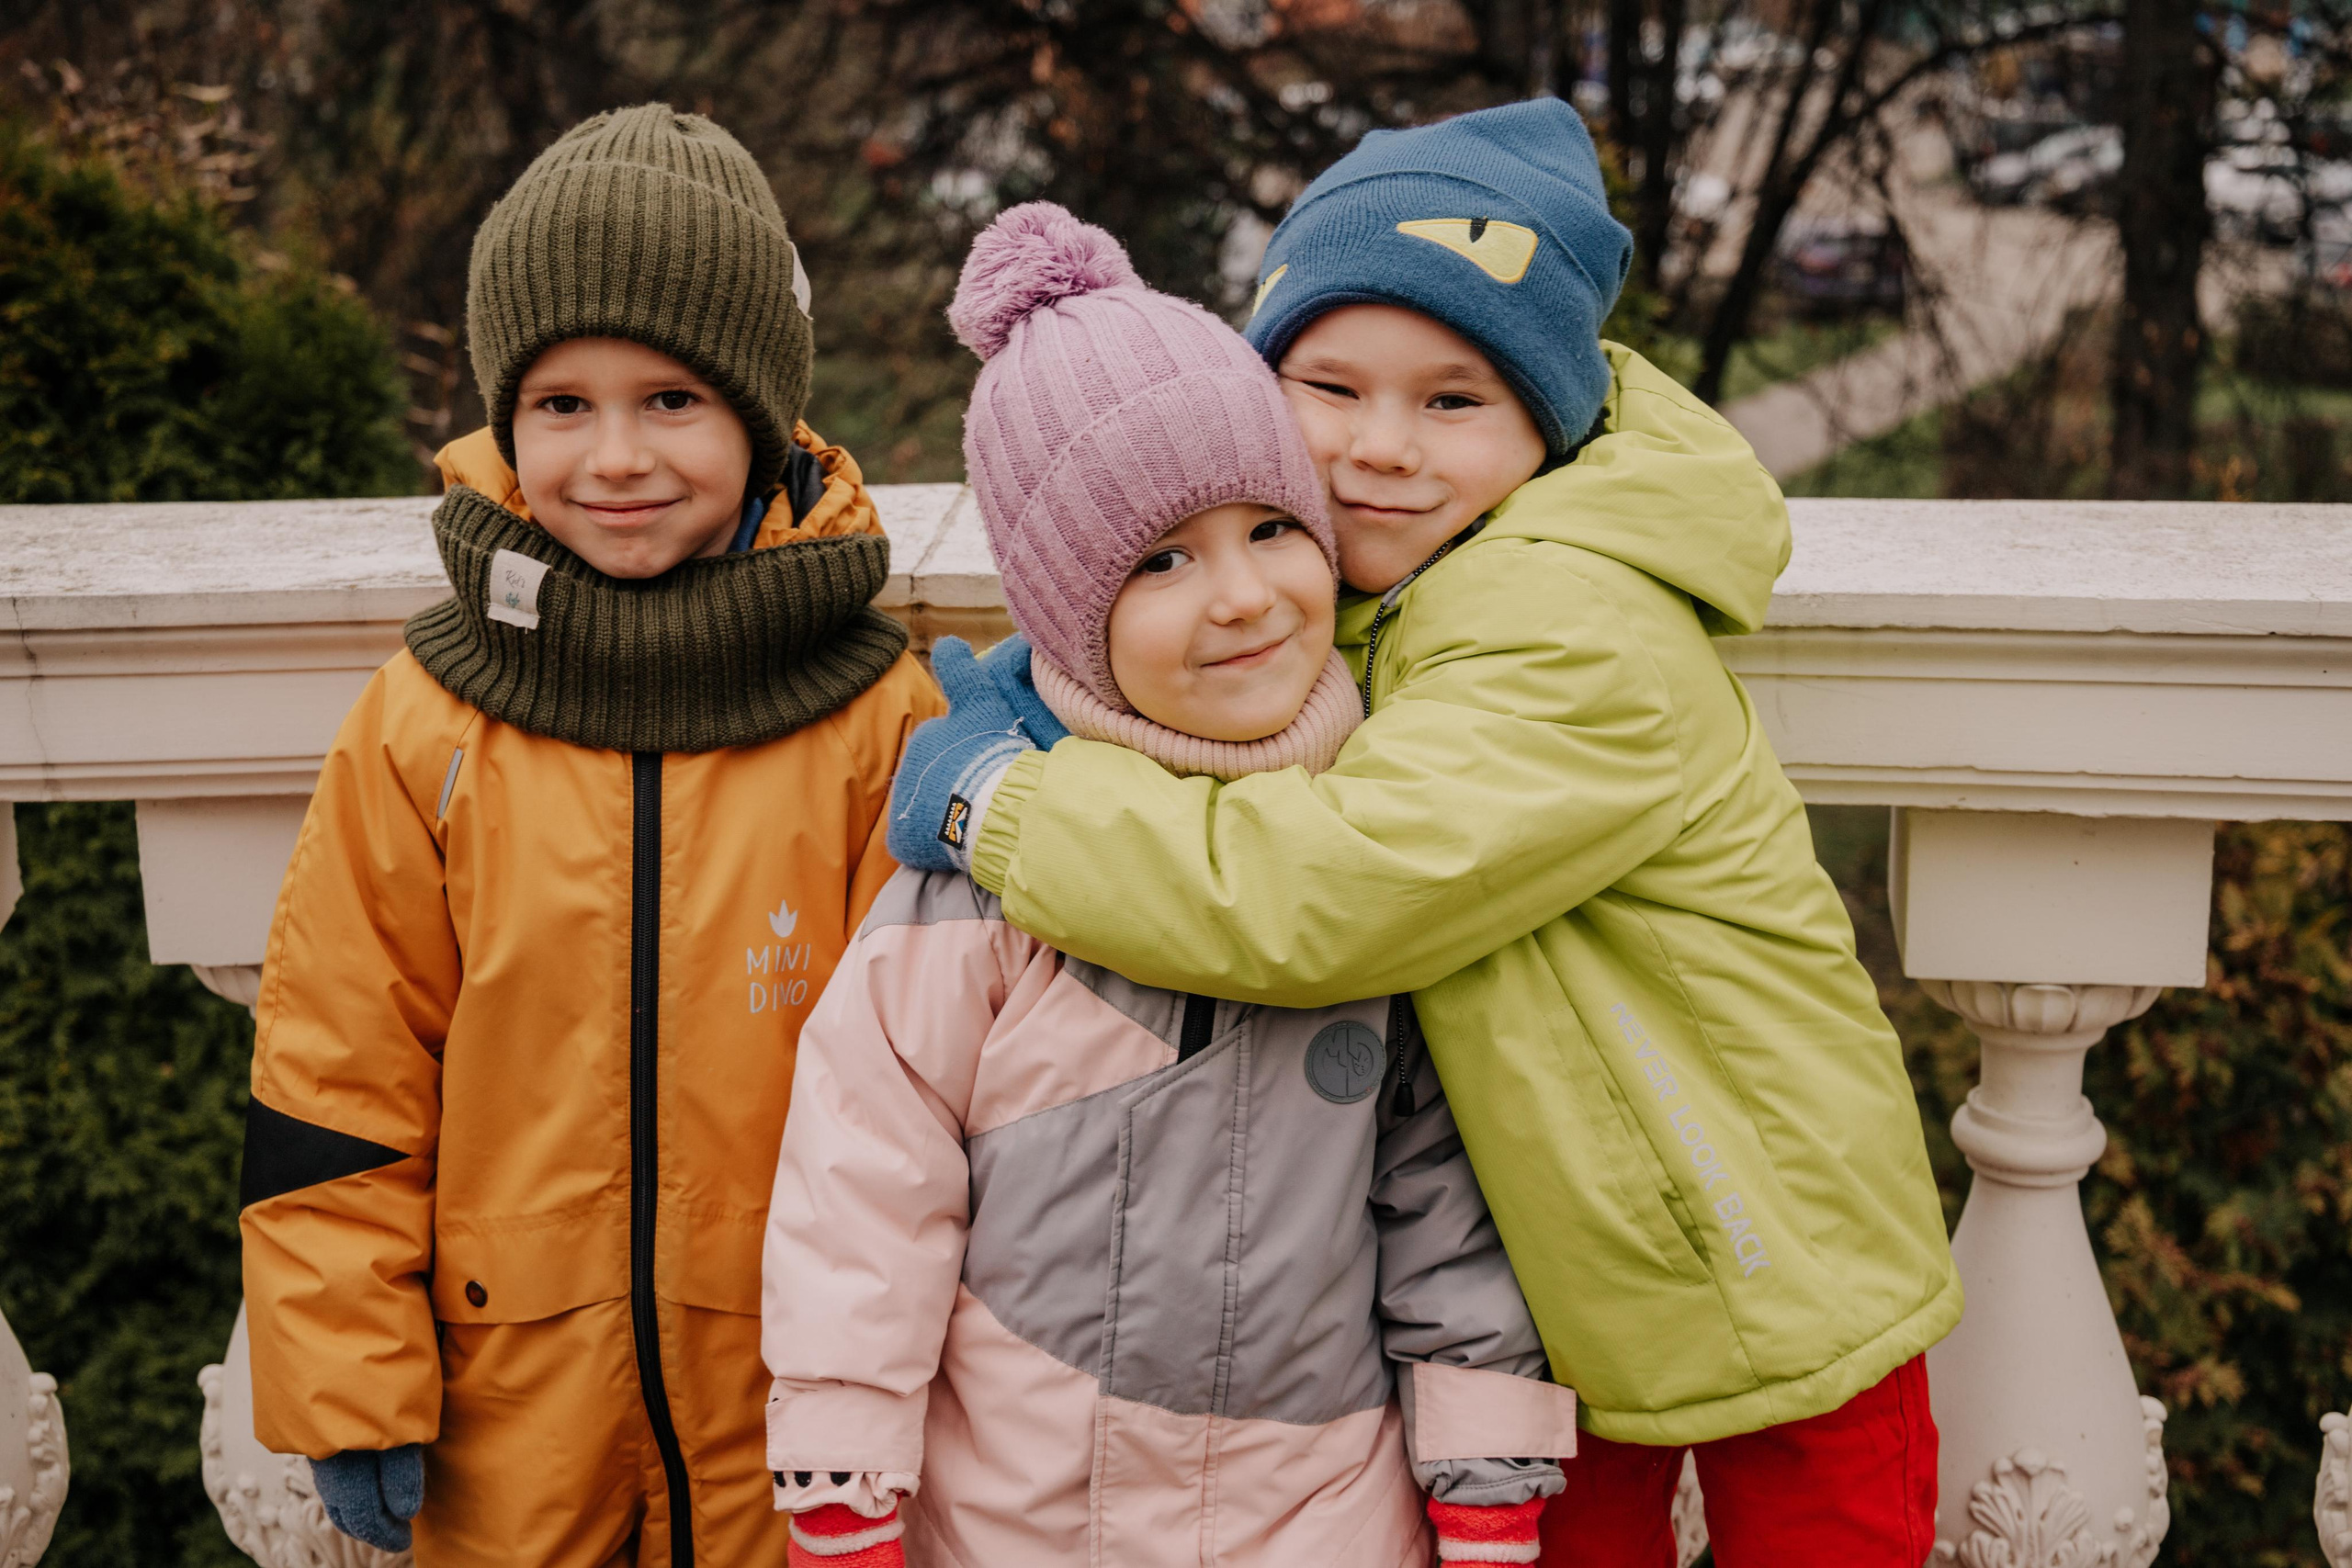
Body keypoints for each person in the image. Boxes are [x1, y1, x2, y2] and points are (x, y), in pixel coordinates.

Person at [889, 102, 1957, 1566]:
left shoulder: (1567, 623)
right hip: (1558, 1281)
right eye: (1330, 386)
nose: (1380, 449)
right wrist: (1058, 686)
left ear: (1548, 422)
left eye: (1454, 401)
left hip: (1761, 1240)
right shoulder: (1373, 590)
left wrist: (1007, 801)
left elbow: (1321, 894)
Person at [760, 203, 1579, 1568]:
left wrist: (1485, 1465)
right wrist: (846, 1474)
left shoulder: (1373, 842)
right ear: (1068, 613)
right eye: (1161, 560)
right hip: (1020, 1512)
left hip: (1318, 1512)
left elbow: (1448, 1184)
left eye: (1274, 528)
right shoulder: (983, 886)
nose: (1244, 596)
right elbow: (866, 1180)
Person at [239, 104, 943, 1568]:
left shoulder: (874, 718)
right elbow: (339, 1067)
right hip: (507, 1419)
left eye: (671, 398)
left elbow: (947, 1094)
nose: (615, 456)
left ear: (760, 410)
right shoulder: (427, 718)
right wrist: (352, 1375)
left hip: (800, 1418)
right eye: (563, 404)